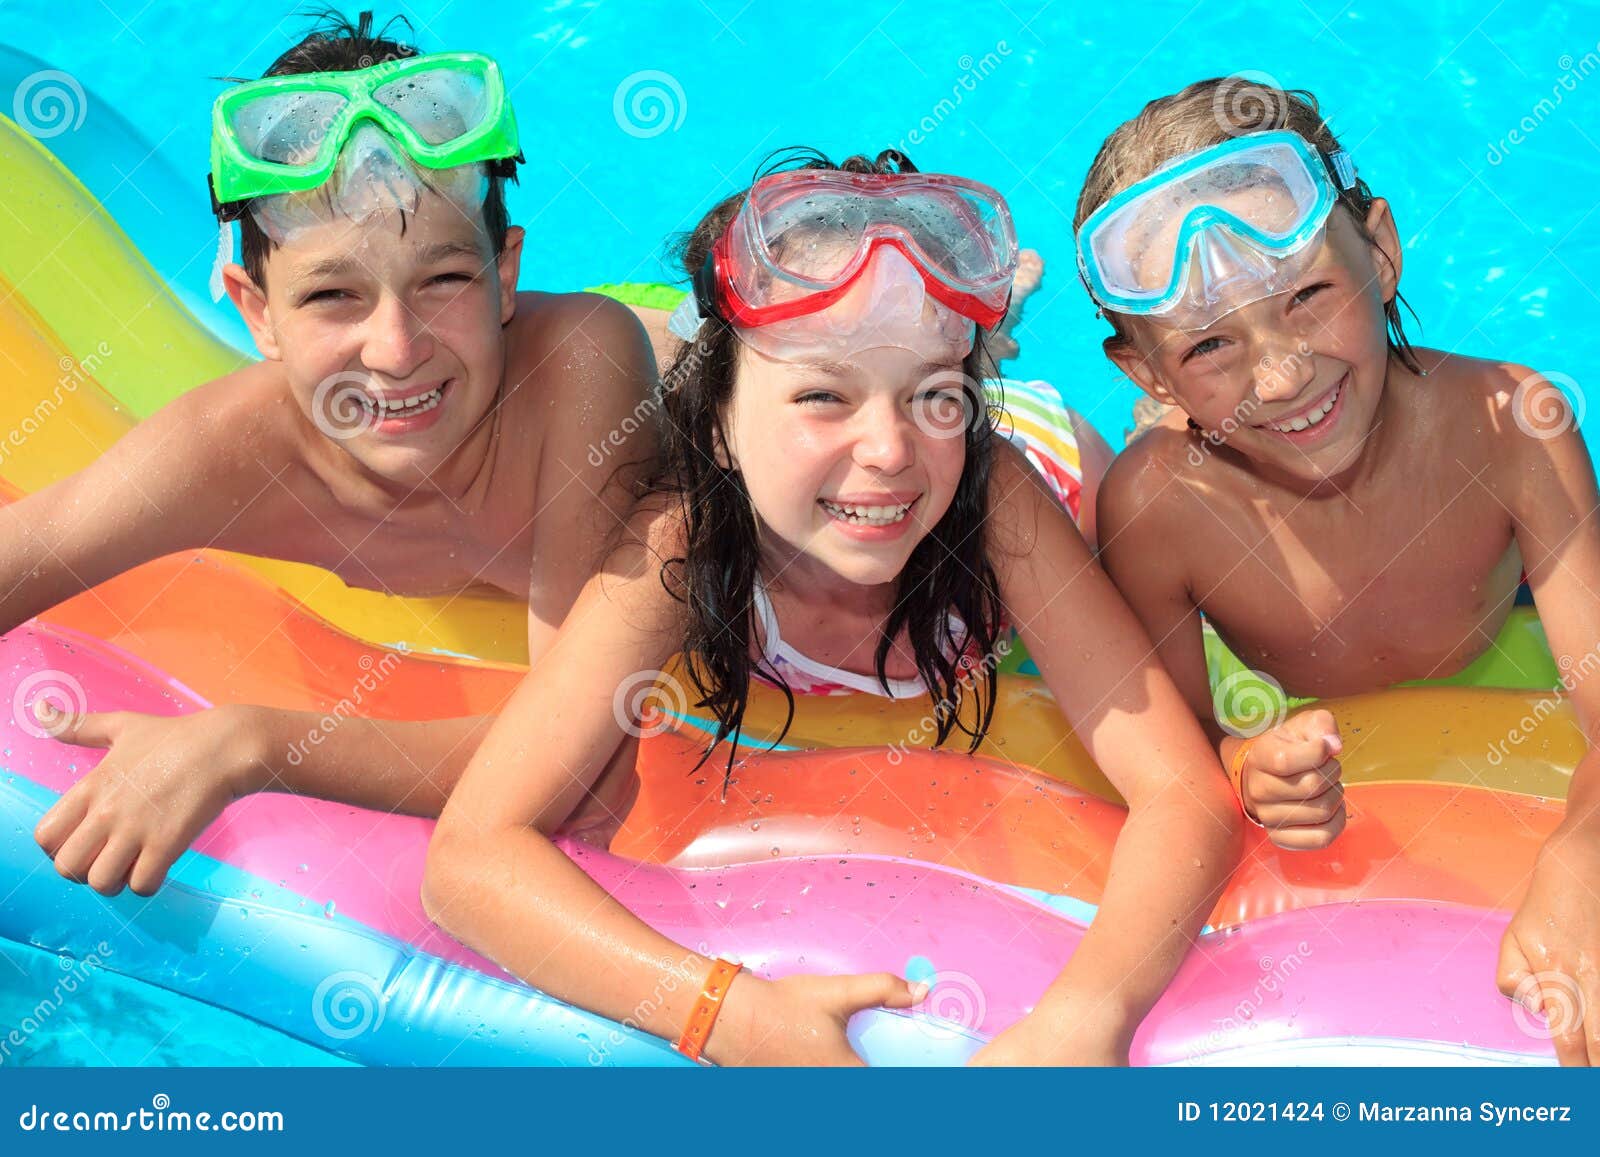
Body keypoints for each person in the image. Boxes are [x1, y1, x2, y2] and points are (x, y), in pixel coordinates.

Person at [423, 149, 1241, 1066]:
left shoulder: (996, 493)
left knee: (1114, 470)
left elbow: (1185, 794)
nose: (888, 448)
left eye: (932, 389)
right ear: (722, 423)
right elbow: (471, 858)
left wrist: (1087, 1016)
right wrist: (728, 1015)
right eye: (823, 394)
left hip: (1045, 462)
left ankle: (1000, 341)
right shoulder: (681, 541)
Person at [21, 12, 657, 898]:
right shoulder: (231, 453)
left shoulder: (585, 368)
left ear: (505, 273)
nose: (396, 349)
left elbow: (574, 770)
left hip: (689, 368)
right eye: (332, 295)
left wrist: (246, 743)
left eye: (444, 279)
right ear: (255, 310)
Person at [1085, 77, 1600, 1065]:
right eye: (1209, 345)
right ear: (1146, 372)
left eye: (1307, 297)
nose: (1281, 374)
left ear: (1382, 249)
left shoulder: (1513, 431)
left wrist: (1583, 849)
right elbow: (1170, 762)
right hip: (1273, 694)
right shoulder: (1155, 512)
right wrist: (1247, 768)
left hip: (1507, 652)